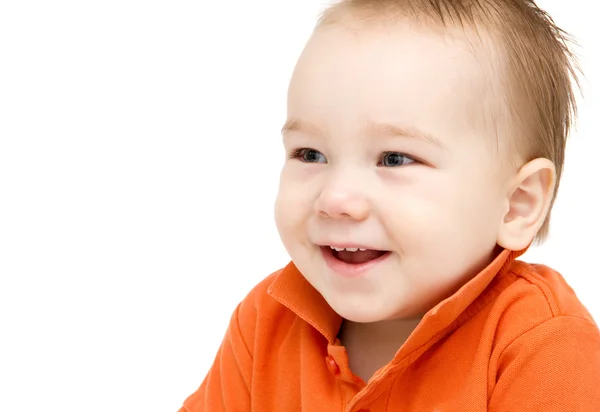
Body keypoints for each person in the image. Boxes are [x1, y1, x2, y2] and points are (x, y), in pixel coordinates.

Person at [179, 0, 600, 410]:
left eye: (394, 159)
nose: (335, 199)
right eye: (310, 154)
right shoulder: (267, 320)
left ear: (516, 204)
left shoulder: (543, 347)